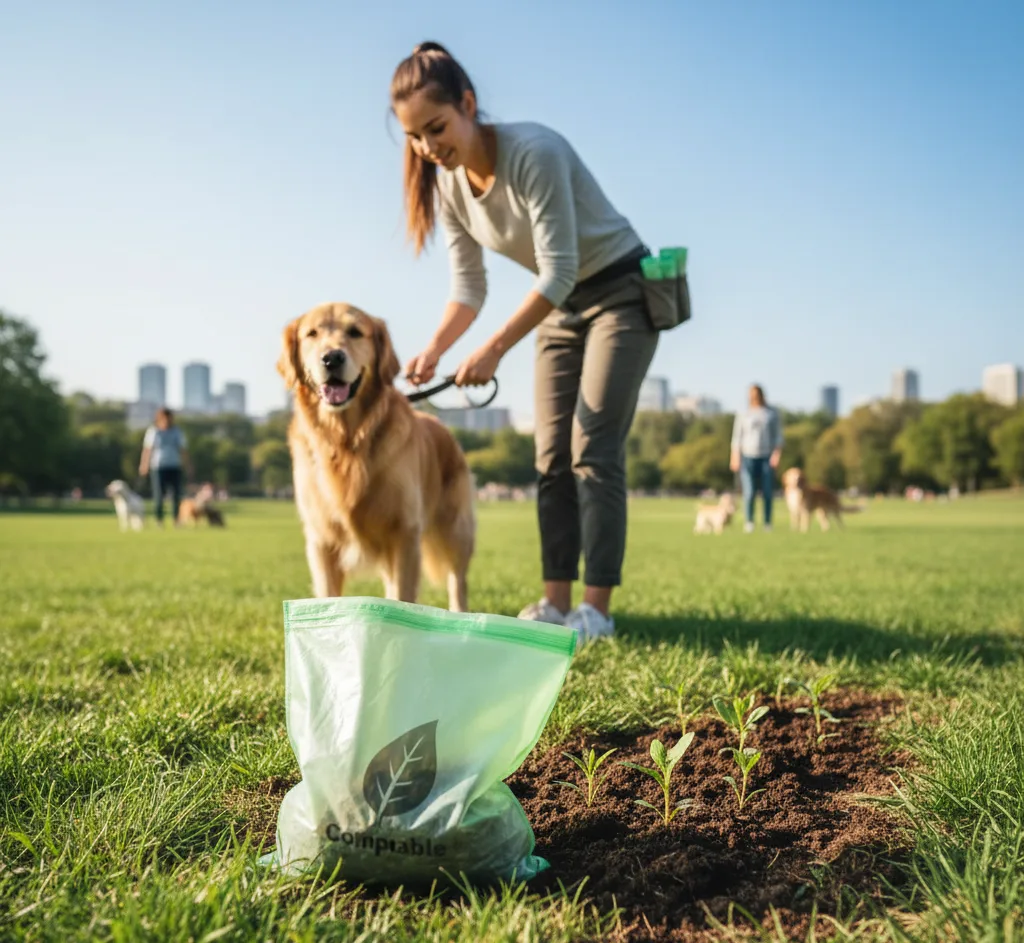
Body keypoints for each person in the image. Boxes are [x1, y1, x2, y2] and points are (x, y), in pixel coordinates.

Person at [391, 42, 659, 642]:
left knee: (592, 445)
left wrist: (491, 350)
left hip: (620, 290)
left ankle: (597, 611)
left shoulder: (534, 152)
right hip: (560, 308)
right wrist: (436, 348)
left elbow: (559, 269)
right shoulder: (449, 184)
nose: (430, 148)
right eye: (416, 138)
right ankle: (556, 604)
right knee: (549, 457)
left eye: (437, 128)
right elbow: (468, 287)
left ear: (468, 103)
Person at [729, 385, 783, 533]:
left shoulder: (771, 413)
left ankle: (767, 523)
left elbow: (778, 436)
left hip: (766, 456)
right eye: (751, 395)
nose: (754, 397)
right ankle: (749, 521)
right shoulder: (743, 413)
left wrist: (776, 454)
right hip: (747, 456)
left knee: (767, 491)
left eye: (756, 394)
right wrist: (734, 457)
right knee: (749, 491)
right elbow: (737, 437)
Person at [138, 407, 191, 527]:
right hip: (158, 466)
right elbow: (147, 450)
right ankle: (159, 520)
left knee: (176, 495)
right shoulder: (153, 431)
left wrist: (188, 465)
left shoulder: (177, 432)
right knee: (158, 495)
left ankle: (176, 520)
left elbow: (183, 450)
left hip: (175, 466)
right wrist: (144, 465)